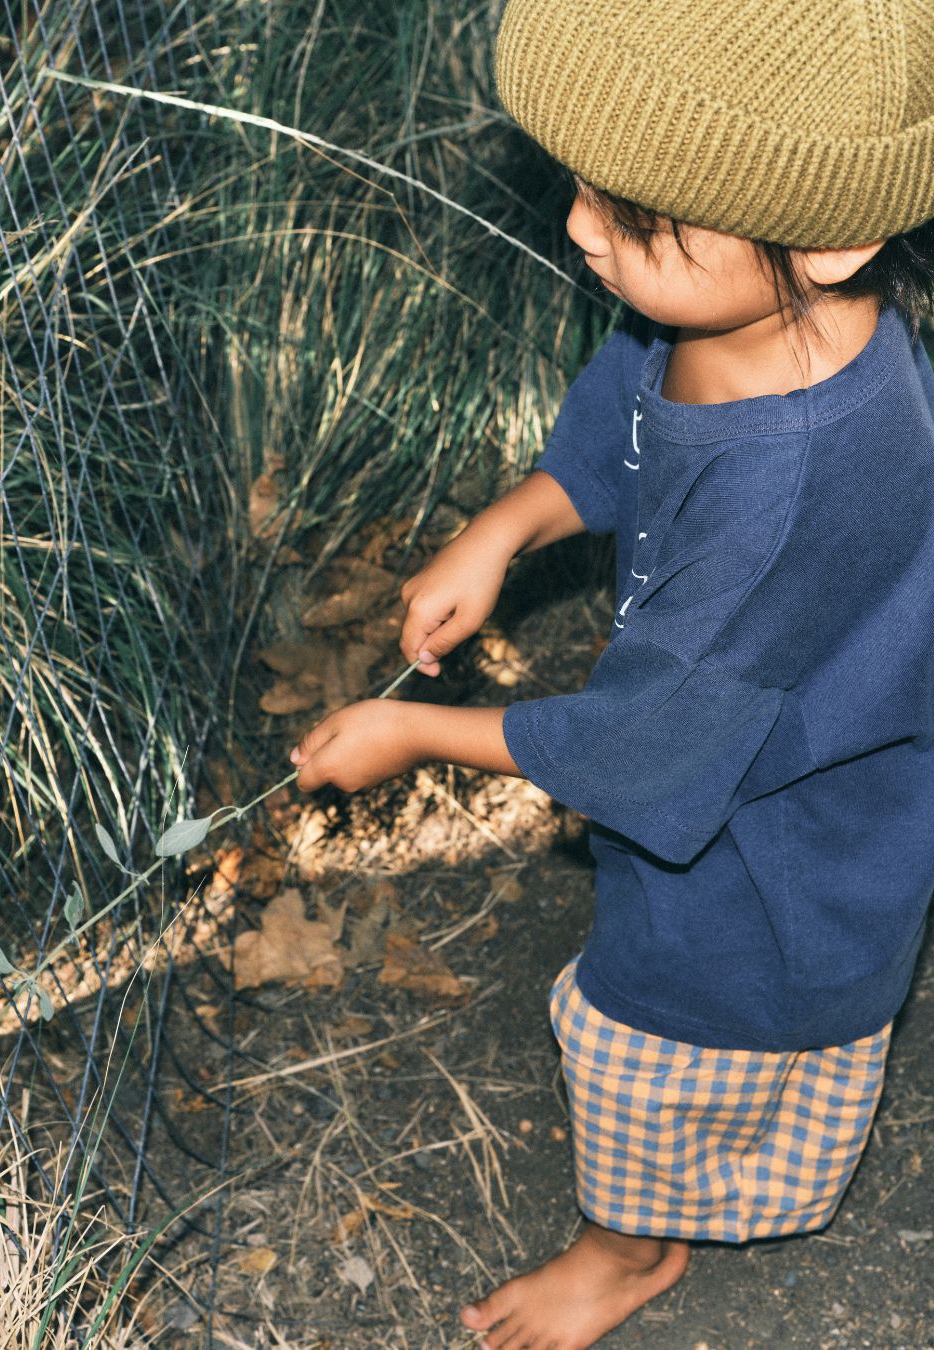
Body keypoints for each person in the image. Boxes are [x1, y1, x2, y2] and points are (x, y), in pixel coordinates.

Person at [289, 1, 934, 1345]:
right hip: (731, 717)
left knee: (655, 1017)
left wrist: (413, 731)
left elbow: (647, 747)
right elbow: (627, 412)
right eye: (583, 181)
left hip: (781, 832)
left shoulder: (796, 493)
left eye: (639, 213)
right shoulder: (733, 320)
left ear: (826, 240)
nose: (585, 226)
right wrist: (509, 522)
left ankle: (627, 1250)